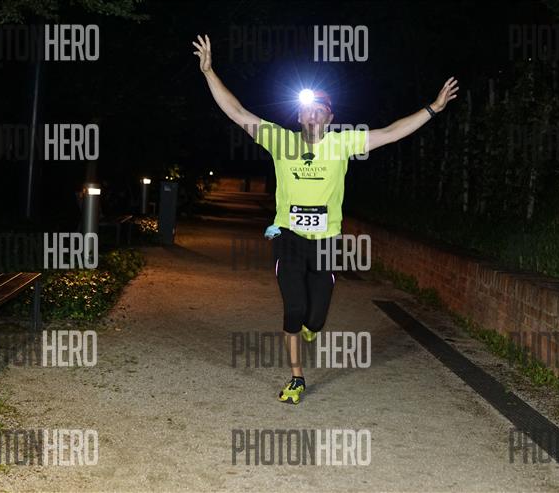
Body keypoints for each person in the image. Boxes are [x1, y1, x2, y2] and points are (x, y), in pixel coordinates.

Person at [193, 34, 458, 404]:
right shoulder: (281, 141)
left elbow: (391, 133)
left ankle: (311, 328)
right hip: (288, 238)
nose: (313, 115)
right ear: (300, 116)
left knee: (314, 319)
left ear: (330, 118)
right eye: (308, 110)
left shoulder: (342, 144)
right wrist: (209, 72)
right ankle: (296, 377)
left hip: (326, 243)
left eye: (321, 111)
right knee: (294, 309)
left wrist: (433, 108)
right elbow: (238, 113)